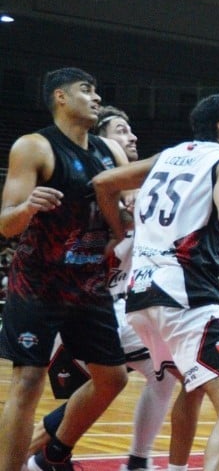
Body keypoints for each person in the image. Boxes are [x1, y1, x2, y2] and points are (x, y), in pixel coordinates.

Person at [95, 93, 219, 471]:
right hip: (185, 294)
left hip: (141, 297)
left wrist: (120, 228)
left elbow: (103, 182)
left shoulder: (168, 156)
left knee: (193, 388)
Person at [30, 106, 181, 471]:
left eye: (131, 130)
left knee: (154, 377)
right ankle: (39, 457)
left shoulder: (139, 191)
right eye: (121, 131)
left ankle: (58, 458)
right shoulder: (88, 195)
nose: (132, 137)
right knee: (143, 376)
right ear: (100, 144)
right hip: (81, 308)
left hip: (114, 309)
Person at [0, 68, 132, 471]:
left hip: (89, 283)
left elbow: (125, 219)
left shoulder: (111, 153)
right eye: (86, 90)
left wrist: (128, 217)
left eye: (97, 91)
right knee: (28, 381)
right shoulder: (34, 147)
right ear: (60, 97)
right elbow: (6, 224)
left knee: (114, 378)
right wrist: (27, 207)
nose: (96, 97)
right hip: (38, 281)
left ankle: (53, 451)